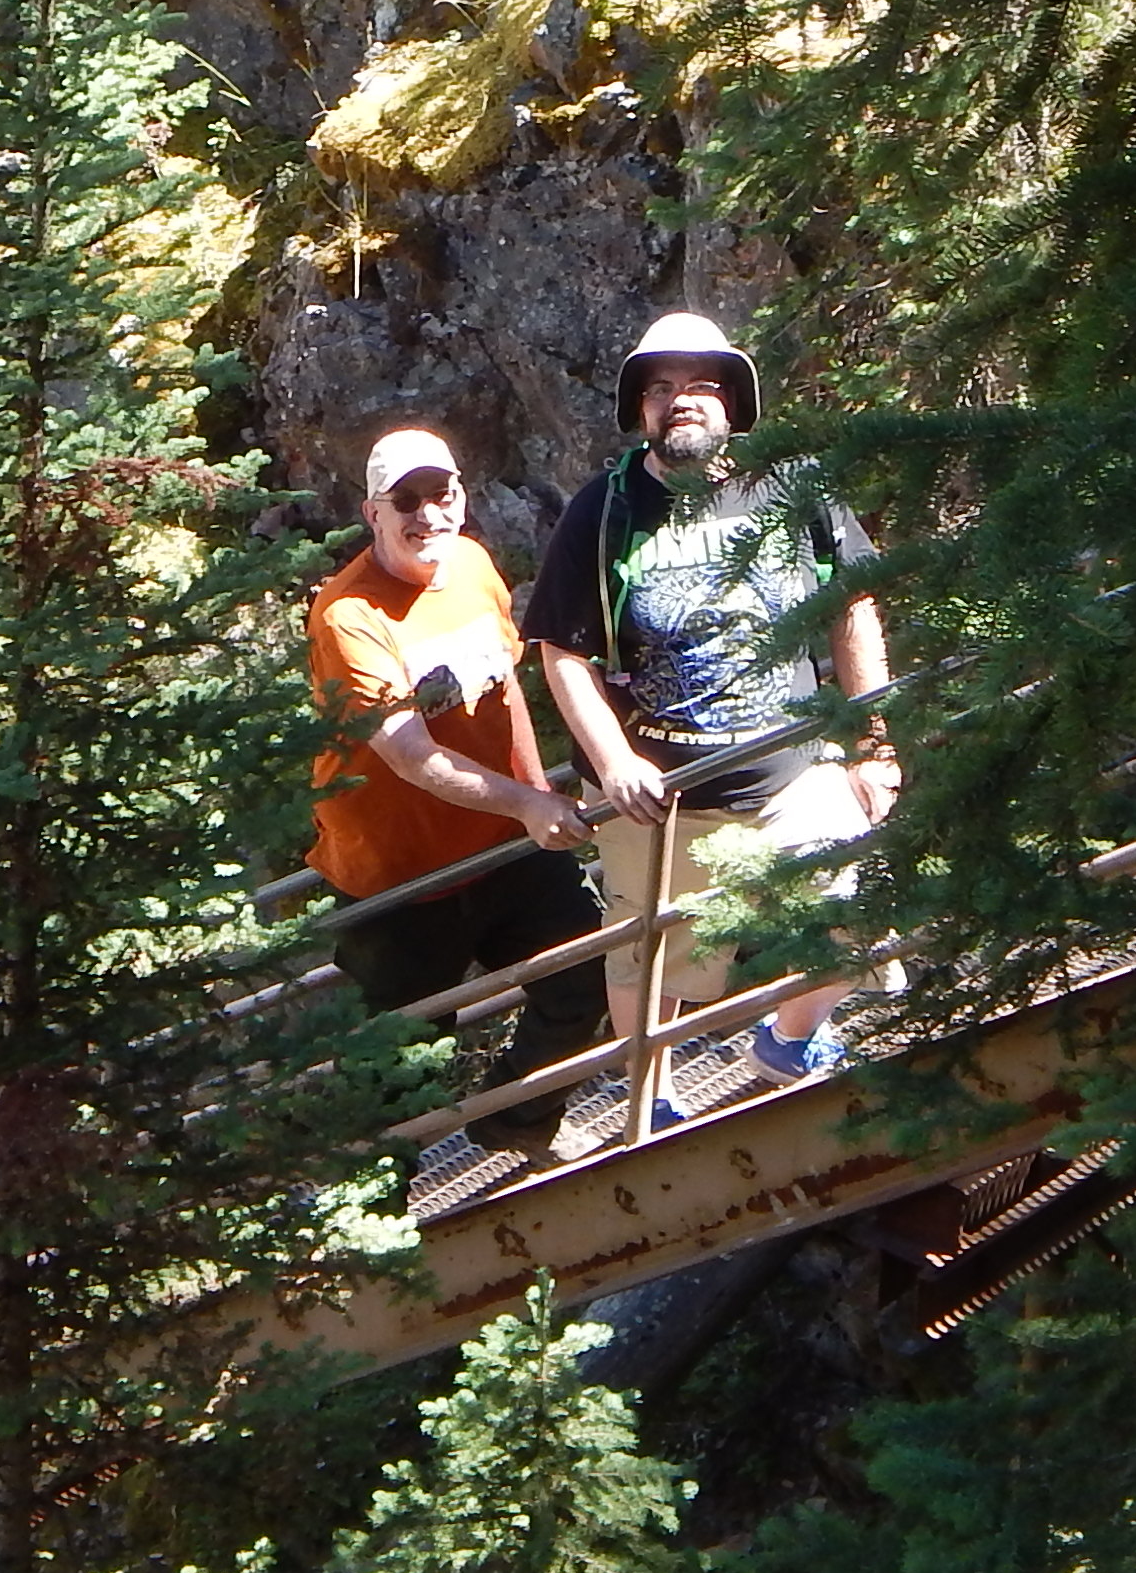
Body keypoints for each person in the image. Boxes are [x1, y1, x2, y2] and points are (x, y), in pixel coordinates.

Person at [519, 311, 895, 1095]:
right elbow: (563, 651)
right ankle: (649, 1106)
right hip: (657, 798)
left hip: (793, 770)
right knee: (651, 961)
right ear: (640, 410)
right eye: (660, 387)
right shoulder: (605, 510)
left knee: (853, 908)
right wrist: (612, 762)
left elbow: (853, 605)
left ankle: (789, 1041)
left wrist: (874, 743)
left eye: (701, 385)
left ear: (734, 401)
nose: (680, 399)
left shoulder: (792, 484)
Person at [307, 422, 611, 1158]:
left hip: (507, 847)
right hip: (400, 883)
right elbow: (411, 755)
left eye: (440, 494)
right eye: (404, 501)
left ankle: (515, 1122)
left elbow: (506, 682)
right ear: (372, 513)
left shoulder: (473, 565)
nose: (427, 514)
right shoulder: (349, 617)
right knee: (402, 1065)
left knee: (588, 979)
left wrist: (537, 794)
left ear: (461, 497)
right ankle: (381, 1208)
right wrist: (529, 802)